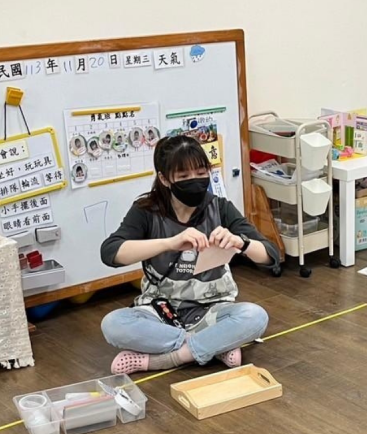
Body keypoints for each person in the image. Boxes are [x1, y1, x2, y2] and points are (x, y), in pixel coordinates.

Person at [100, 135, 278, 375]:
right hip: (161, 312)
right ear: (164, 179)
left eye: (201, 172)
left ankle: (168, 359)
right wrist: (169, 243)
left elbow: (270, 256)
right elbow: (111, 252)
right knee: (113, 324)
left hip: (212, 310)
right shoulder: (146, 211)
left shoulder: (219, 207)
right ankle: (214, 345)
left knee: (255, 316)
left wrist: (241, 243)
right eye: (183, 176)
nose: (194, 180)